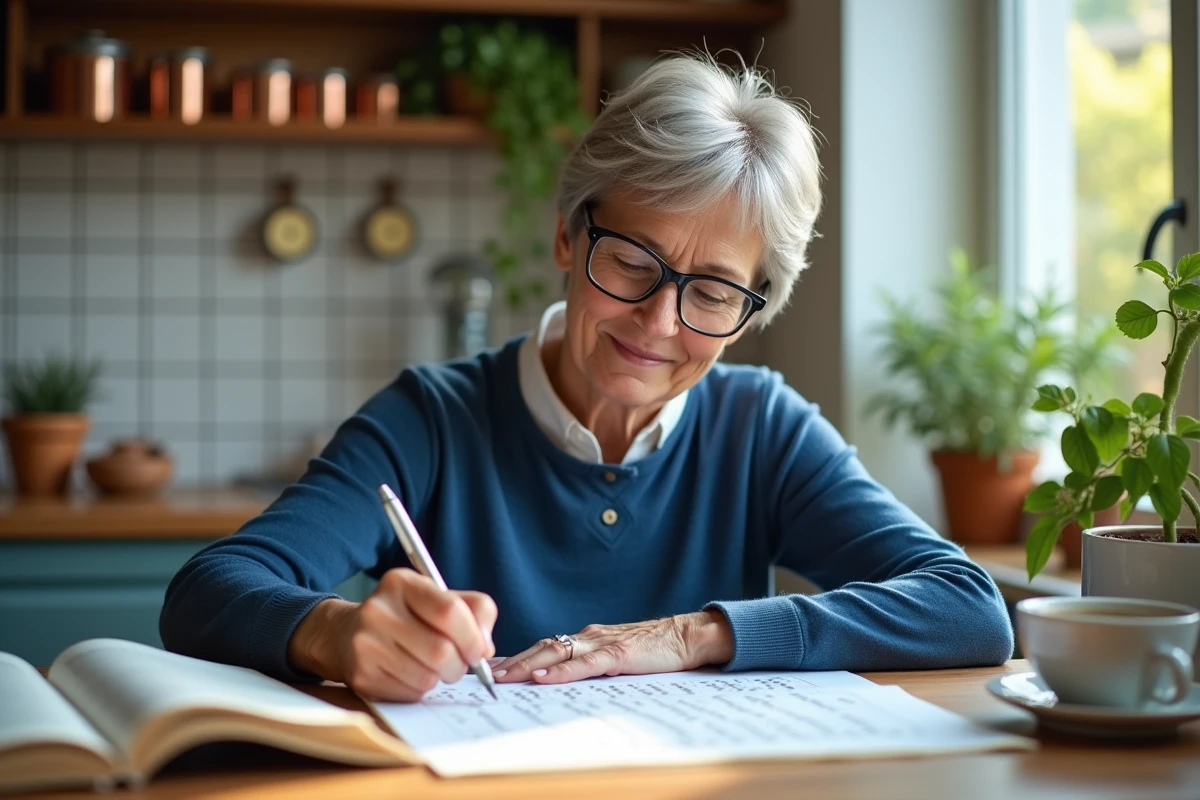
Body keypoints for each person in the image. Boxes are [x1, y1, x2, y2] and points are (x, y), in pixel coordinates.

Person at [161, 54, 1013, 702]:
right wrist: (335, 633)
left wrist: (696, 635)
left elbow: (969, 608)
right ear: (570, 239)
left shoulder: (763, 428)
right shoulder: (431, 420)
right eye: (632, 261)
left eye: (713, 291)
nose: (659, 322)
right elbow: (207, 592)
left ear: (754, 307)